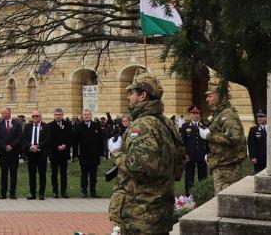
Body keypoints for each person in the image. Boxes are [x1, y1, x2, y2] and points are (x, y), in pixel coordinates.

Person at [108, 73, 183, 235]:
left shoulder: (143, 125)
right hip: (158, 208)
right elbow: (179, 164)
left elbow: (140, 169)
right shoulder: (166, 122)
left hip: (141, 213)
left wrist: (116, 152)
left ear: (142, 96)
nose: (128, 97)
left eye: (131, 93)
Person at [200, 84, 246, 192]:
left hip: (228, 166)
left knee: (225, 198)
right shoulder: (220, 113)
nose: (207, 99)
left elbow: (234, 138)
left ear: (218, 96)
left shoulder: (227, 114)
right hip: (222, 163)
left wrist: (208, 136)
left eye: (209, 96)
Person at [72, 109, 103, 198]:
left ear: (91, 115)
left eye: (88, 114)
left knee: (93, 175)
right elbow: (75, 142)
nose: (86, 116)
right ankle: (84, 191)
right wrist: (75, 155)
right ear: (82, 115)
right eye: (84, 114)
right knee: (84, 174)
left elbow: (101, 141)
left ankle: (93, 191)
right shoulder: (79, 126)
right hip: (83, 155)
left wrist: (101, 154)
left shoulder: (96, 126)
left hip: (94, 155)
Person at [0, 107, 22, 199]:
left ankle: (12, 193)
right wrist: (5, 146)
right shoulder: (0, 124)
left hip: (14, 152)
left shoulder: (17, 124)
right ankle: (3, 193)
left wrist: (11, 145)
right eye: (1, 113)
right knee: (4, 173)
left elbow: (19, 137)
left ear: (9, 113)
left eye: (3, 113)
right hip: (3, 152)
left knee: (13, 173)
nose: (2, 115)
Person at [181, 105, 208, 196]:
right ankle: (188, 195)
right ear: (190, 115)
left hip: (202, 155)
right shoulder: (185, 126)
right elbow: (182, 142)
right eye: (193, 113)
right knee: (189, 175)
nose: (195, 115)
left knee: (203, 175)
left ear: (199, 115)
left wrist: (207, 154)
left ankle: (203, 194)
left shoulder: (204, 126)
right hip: (190, 155)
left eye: (197, 113)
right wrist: (184, 154)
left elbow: (207, 141)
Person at [22, 110, 49, 200]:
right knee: (32, 174)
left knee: (42, 174)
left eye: (37, 116)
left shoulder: (45, 126)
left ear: (40, 117)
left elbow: (47, 139)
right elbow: (24, 139)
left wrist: (38, 146)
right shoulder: (28, 127)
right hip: (31, 153)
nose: (35, 117)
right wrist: (31, 146)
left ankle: (41, 193)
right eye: (33, 116)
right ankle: (32, 193)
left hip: (41, 153)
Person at [48, 108, 71, 199]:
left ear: (62, 115)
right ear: (54, 115)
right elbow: (49, 139)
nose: (58, 116)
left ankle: (64, 191)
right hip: (54, 153)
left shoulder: (68, 125)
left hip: (64, 153)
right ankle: (55, 191)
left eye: (59, 114)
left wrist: (65, 145)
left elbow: (70, 137)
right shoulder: (50, 126)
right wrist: (57, 146)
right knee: (54, 173)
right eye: (56, 114)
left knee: (64, 173)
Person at [247, 109, 267, 174]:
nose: (259, 118)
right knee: (260, 174)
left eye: (262, 116)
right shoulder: (253, 129)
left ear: (267, 117)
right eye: (258, 117)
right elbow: (251, 144)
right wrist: (253, 157)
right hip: (259, 158)